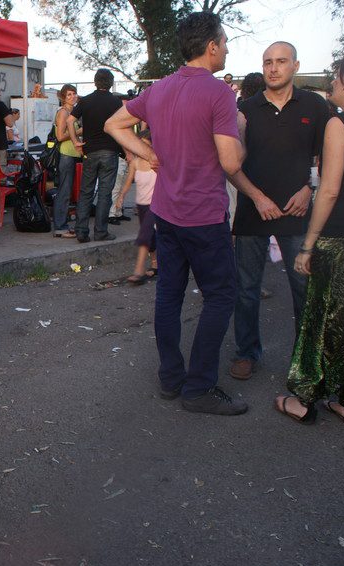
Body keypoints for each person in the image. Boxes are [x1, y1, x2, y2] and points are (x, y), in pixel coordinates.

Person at [105, 11, 248, 415]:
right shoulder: (220, 94)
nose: (227, 48)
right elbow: (231, 163)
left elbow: (115, 124)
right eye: (225, 41)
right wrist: (238, 131)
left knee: (169, 295)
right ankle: (199, 387)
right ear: (212, 46)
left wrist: (149, 154)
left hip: (166, 214)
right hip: (203, 215)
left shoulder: (160, 89)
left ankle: (172, 378)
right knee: (221, 296)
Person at [276, 49, 344, 425]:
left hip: (340, 239)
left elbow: (329, 190)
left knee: (319, 321)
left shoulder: (340, 124)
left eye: (337, 76)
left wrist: (308, 244)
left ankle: (304, 398)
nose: (332, 83)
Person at [228, 42, 329, 381]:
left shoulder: (315, 106)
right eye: (267, 62)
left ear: (295, 66)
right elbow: (231, 165)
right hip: (253, 212)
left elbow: (325, 158)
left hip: (296, 212)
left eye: (281, 62)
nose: (273, 68)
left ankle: (305, 358)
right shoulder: (245, 110)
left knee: (304, 290)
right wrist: (257, 197)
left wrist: (309, 189)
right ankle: (246, 352)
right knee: (245, 289)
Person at [68, 69, 122, 243]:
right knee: (105, 193)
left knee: (86, 192)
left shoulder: (86, 101)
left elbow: (70, 120)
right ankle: (101, 232)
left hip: (89, 151)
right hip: (110, 151)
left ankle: (81, 232)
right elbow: (123, 126)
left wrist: (76, 141)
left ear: (95, 82)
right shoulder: (116, 102)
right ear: (111, 83)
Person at [115, 130, 158, 284]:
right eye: (140, 145)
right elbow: (128, 182)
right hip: (141, 205)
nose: (141, 149)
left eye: (145, 146)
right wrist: (121, 197)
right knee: (151, 238)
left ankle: (139, 271)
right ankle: (156, 264)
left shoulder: (156, 161)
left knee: (144, 235)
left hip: (155, 205)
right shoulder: (135, 162)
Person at [53, 83, 81, 238]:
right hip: (65, 154)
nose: (72, 97)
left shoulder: (72, 111)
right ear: (63, 97)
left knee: (68, 190)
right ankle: (60, 227)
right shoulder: (63, 112)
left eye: (74, 94)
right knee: (64, 190)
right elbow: (60, 136)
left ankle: (62, 224)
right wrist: (78, 131)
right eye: (69, 94)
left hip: (73, 154)